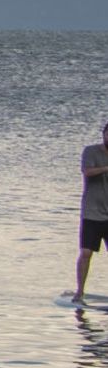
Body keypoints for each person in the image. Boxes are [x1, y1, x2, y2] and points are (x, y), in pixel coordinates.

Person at [76, 121, 108, 308]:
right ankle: (80, 291)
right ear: (104, 135)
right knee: (86, 252)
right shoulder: (91, 152)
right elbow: (87, 172)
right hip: (92, 213)